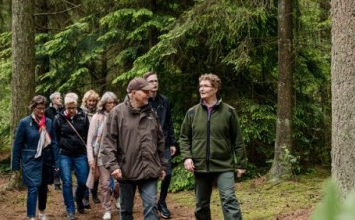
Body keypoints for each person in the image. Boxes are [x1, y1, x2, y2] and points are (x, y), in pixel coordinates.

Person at [180, 74, 248, 220]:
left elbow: (238, 139)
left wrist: (241, 164)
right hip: (200, 166)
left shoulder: (229, 112)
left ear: (215, 89)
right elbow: (184, 137)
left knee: (229, 200)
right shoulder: (192, 112)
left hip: (224, 165)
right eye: (200, 86)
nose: (201, 89)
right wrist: (187, 157)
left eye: (205, 86)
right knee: (201, 205)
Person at [102, 77, 167, 220]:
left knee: (151, 206)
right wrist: (113, 166)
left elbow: (160, 141)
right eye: (145, 92)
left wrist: (162, 165)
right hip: (126, 171)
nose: (149, 95)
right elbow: (108, 142)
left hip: (150, 170)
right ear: (133, 93)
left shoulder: (152, 114)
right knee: (126, 211)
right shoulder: (117, 113)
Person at [12, 95, 58, 220]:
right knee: (33, 188)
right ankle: (31, 216)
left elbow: (53, 143)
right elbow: (17, 144)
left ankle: (42, 212)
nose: (41, 111)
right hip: (30, 160)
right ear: (33, 108)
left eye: (43, 108)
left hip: (46, 160)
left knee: (43, 188)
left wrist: (56, 162)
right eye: (38, 108)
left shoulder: (48, 122)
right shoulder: (25, 123)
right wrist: (15, 164)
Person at [143, 71, 178, 219]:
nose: (155, 83)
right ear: (145, 84)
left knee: (167, 173)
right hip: (147, 144)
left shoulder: (164, 100)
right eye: (151, 81)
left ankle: (162, 202)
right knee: (150, 175)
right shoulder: (143, 101)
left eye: (156, 81)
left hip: (163, 143)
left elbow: (169, 122)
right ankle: (150, 205)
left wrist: (172, 142)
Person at [54, 93, 91, 220]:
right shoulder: (58, 119)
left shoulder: (83, 116)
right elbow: (56, 138)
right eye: (69, 107)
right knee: (67, 182)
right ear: (65, 106)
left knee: (83, 182)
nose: (71, 110)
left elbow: (88, 135)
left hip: (80, 154)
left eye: (73, 107)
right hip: (65, 154)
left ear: (76, 105)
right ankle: (70, 210)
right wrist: (57, 157)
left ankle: (78, 198)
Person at [86, 92, 120, 220]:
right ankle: (107, 209)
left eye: (113, 103)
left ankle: (117, 197)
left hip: (117, 154)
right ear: (104, 104)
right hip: (101, 155)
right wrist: (90, 158)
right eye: (109, 103)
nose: (111, 105)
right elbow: (90, 140)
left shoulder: (120, 115)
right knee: (105, 184)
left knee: (119, 182)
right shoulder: (97, 117)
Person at [80, 89, 100, 207]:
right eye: (89, 101)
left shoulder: (100, 112)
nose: (91, 103)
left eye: (94, 101)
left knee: (95, 170)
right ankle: (85, 196)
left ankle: (94, 192)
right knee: (86, 170)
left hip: (96, 144)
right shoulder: (81, 112)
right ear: (85, 101)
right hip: (84, 144)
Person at [46, 92, 64, 191]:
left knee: (60, 159)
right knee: (54, 159)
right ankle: (55, 180)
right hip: (51, 138)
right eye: (57, 98)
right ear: (52, 100)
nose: (60, 99)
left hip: (62, 138)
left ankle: (59, 180)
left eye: (60, 98)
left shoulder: (63, 110)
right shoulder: (48, 111)